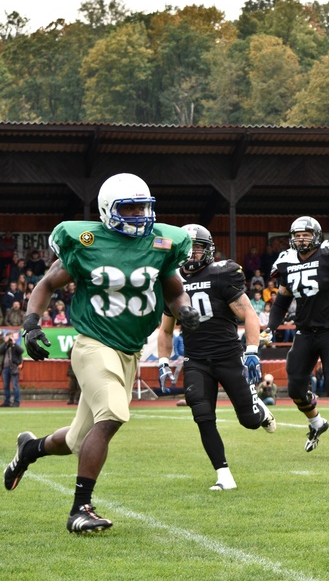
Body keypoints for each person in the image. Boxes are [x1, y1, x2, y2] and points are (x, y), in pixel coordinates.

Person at [3, 173, 197, 533]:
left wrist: (183, 309)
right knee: (113, 415)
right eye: (131, 207)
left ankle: (29, 450)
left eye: (145, 206)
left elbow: (174, 290)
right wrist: (31, 323)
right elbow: (47, 282)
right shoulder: (87, 240)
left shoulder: (162, 243)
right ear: (109, 211)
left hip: (129, 351)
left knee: (77, 439)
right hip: (93, 343)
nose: (141, 214)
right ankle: (80, 509)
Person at [156, 224, 275, 491]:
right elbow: (165, 330)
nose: (191, 255)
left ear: (208, 251)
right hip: (196, 359)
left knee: (249, 420)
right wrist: (163, 362)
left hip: (228, 355)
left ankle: (260, 411)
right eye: (187, 249)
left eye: (197, 249)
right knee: (201, 411)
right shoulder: (173, 281)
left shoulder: (222, 274)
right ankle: (223, 475)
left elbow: (249, 315)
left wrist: (253, 351)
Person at [263, 216, 329, 460]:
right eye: (297, 235)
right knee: (295, 388)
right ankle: (317, 422)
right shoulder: (287, 261)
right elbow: (282, 301)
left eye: (306, 234)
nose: (301, 239)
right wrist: (271, 327)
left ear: (317, 236)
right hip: (305, 331)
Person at [1, 331, 24, 407]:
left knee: (15, 385)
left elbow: (21, 351)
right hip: (5, 368)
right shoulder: (5, 346)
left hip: (14, 367)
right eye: (9, 337)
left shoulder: (15, 346)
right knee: (6, 386)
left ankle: (16, 402)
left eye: (11, 337)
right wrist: (5, 342)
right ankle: (7, 402)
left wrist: (14, 343)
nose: (10, 339)